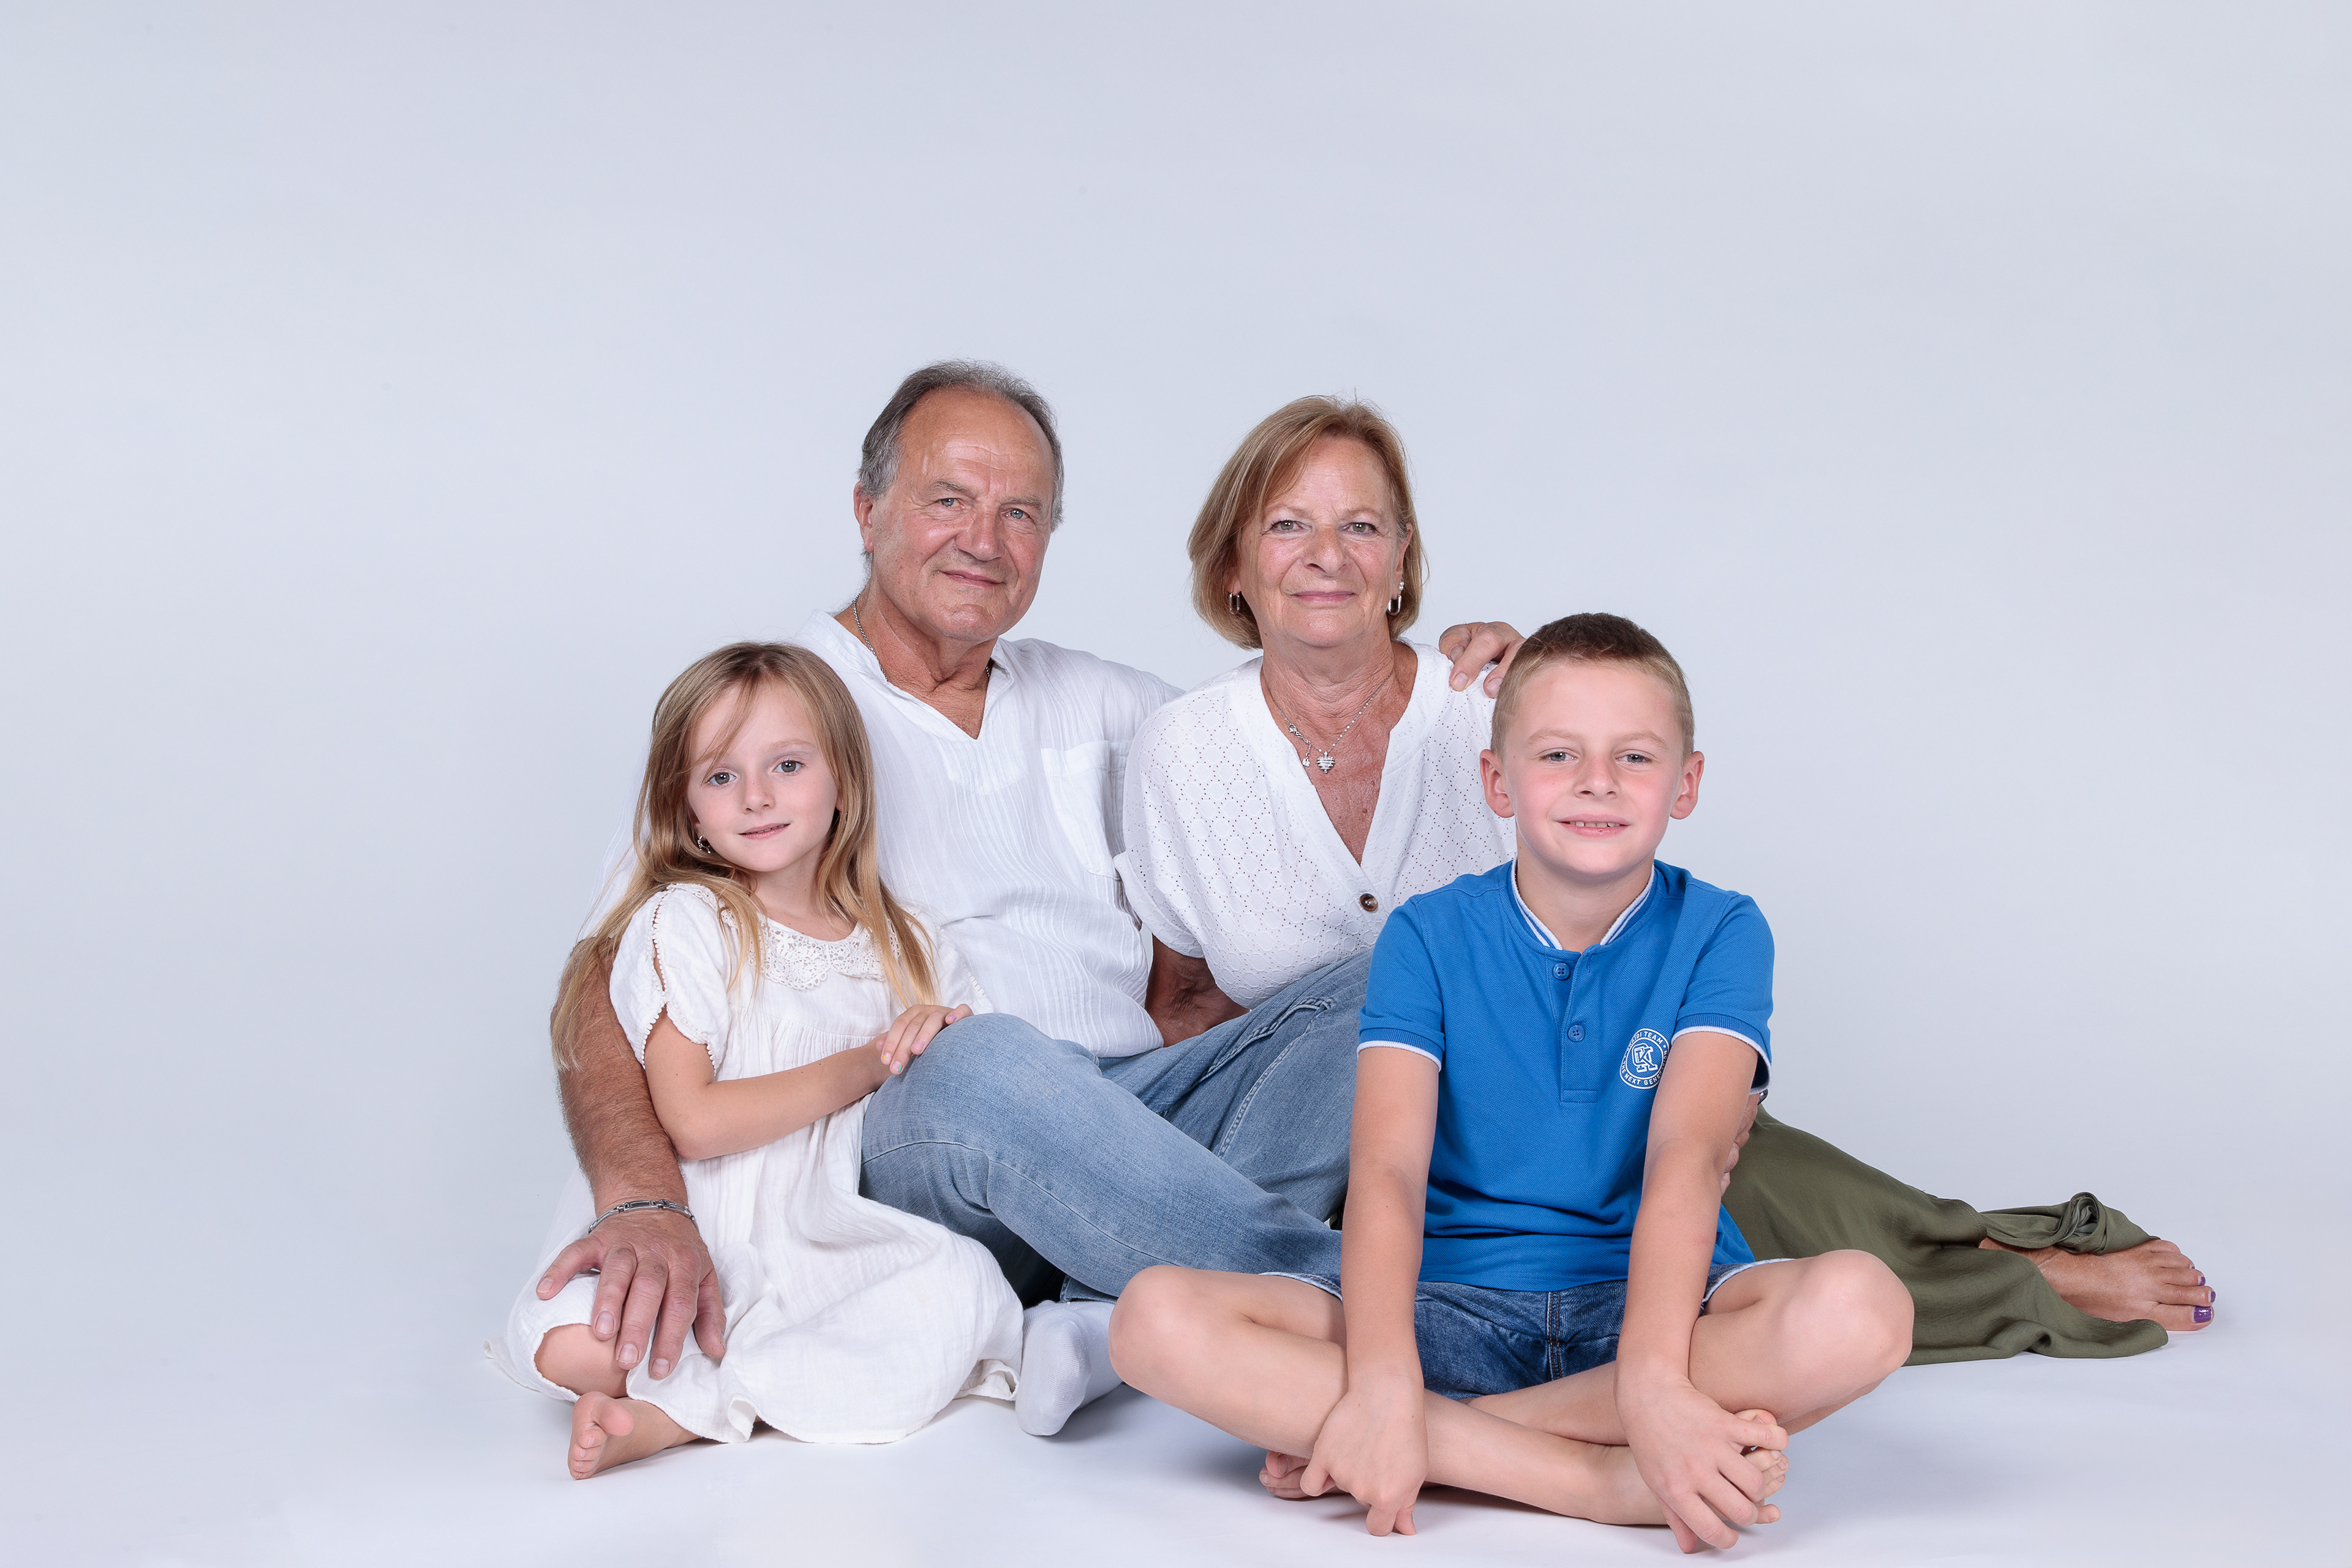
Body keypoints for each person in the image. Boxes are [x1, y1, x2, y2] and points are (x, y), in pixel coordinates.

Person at [530, 361, 1529, 1439]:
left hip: (1142, 1115)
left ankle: (1100, 1308)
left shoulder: (1111, 703)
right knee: (986, 1054)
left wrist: (1463, 677)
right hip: (927, 1129)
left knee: (1419, 961)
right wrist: (643, 1199)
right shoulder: (775, 710)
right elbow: (606, 975)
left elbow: (1283, 705)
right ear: (868, 514)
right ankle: (1442, 1324)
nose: (984, 539)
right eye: (947, 500)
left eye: (1021, 513)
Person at [1119, 395, 2212, 1370]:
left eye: (1361, 525)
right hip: (1370, 1144)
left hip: (1589, 1090)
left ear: (1404, 560)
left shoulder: (1483, 703)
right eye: (1287, 524)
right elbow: (1187, 1008)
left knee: (1739, 1187)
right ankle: (1986, 1281)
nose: (1328, 555)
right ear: (1233, 566)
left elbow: (1604, 750)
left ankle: (2004, 1259)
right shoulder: (1181, 750)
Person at [1110, 613, 1913, 1550]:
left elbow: (1689, 1159)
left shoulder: (1724, 929)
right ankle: (1592, 1477)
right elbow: (1388, 1176)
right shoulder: (1425, 935)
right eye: (1559, 754)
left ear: (1686, 785)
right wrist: (1379, 1377)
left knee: (1864, 1311)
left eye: (1636, 758)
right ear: (1498, 780)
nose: (1597, 783)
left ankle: (1441, 1440)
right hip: (1447, 1308)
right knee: (1153, 1321)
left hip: (1654, 1312)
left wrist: (1654, 1382)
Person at [490, 643, 1020, 1476]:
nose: (758, 797)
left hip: (825, 1235)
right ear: (689, 810)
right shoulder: (690, 921)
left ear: (843, 781)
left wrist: (935, 1037)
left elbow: (978, 1074)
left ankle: (683, 1411)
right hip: (702, 1236)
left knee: (962, 1287)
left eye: (786, 764)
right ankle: (751, 1385)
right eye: (721, 777)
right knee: (572, 1337)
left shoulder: (910, 943)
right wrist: (870, 1062)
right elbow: (694, 1122)